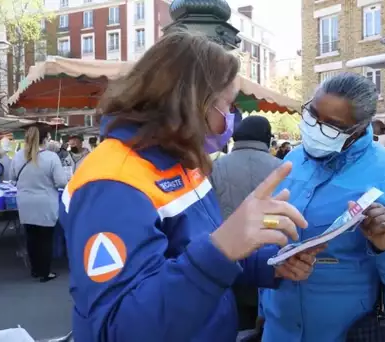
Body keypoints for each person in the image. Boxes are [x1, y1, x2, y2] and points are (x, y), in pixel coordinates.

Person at [60, 31, 323, 342]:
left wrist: (269, 265)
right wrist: (222, 248)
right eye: (227, 106)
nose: (231, 120)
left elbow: (194, 252)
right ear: (192, 103)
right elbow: (121, 327)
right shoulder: (112, 182)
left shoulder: (180, 162)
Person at [259, 73, 385, 342]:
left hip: (357, 332)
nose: (315, 128)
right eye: (312, 114)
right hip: (279, 328)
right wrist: (265, 297)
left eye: (331, 126)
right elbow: (269, 230)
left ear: (359, 128)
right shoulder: (292, 161)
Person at [209, 115, 283, 331]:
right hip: (274, 259)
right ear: (266, 138)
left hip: (228, 255)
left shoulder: (215, 167)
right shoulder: (282, 167)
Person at [9, 127, 67, 282]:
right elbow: (61, 182)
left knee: (31, 238)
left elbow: (12, 177)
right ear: (46, 139)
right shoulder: (51, 157)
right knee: (45, 240)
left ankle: (35, 270)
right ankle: (45, 272)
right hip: (45, 203)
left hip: (25, 203)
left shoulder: (18, 155)